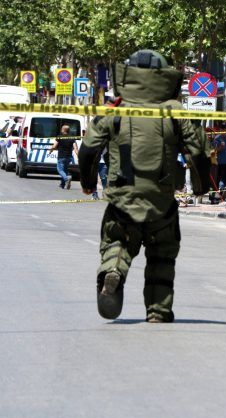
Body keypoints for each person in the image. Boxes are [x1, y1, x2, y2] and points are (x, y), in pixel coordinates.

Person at [79, 50, 210, 323]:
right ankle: (158, 311)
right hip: (162, 200)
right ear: (165, 77)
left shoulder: (115, 109)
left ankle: (113, 270)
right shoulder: (175, 113)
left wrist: (89, 182)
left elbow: (89, 150)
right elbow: (198, 152)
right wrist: (200, 187)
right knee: (162, 256)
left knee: (117, 243)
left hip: (122, 201)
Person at [48, 124, 78, 190]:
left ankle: (67, 179)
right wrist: (78, 156)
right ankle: (63, 184)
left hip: (61, 156)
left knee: (60, 169)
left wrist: (50, 151)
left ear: (63, 130)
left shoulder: (59, 137)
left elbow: (54, 146)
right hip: (69, 157)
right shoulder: (72, 138)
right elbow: (75, 148)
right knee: (65, 170)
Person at [214, 122, 226, 191]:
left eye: (224, 129)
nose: (222, 131)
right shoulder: (217, 138)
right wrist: (220, 147)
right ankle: (216, 194)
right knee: (218, 179)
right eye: (221, 129)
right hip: (220, 162)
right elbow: (215, 151)